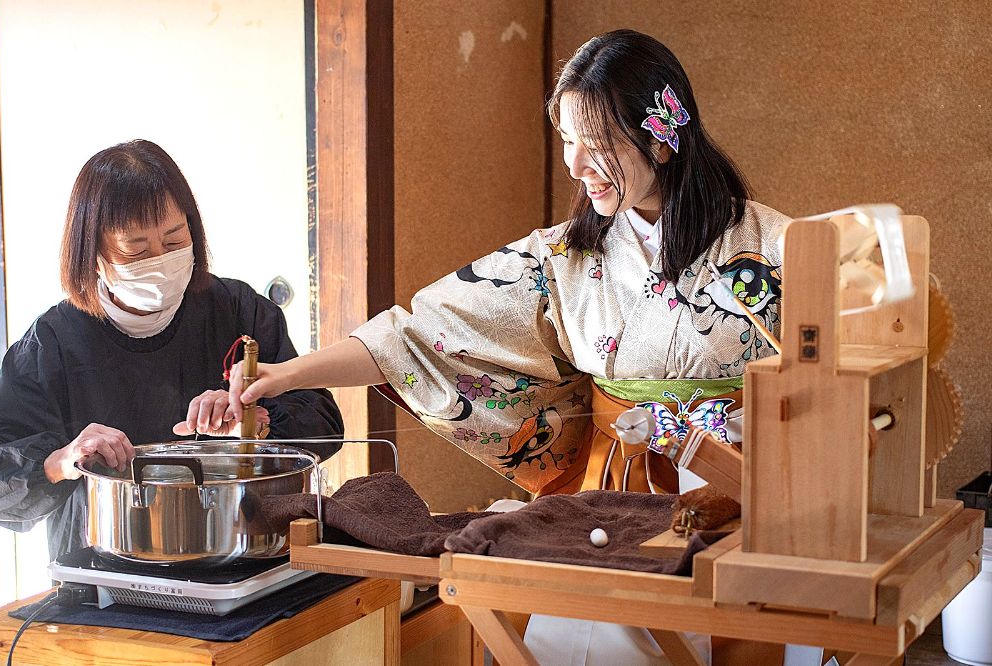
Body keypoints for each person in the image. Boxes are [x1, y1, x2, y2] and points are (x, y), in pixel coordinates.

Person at [229, 29, 791, 665]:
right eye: (568, 141)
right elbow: (420, 333)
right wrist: (288, 375)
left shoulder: (775, 248)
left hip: (740, 491)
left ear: (660, 136)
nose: (576, 165)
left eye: (597, 143)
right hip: (612, 494)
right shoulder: (564, 257)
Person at [0, 140, 344, 562]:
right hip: (102, 564)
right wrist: (62, 460)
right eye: (136, 251)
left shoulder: (237, 310)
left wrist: (255, 422)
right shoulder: (51, 344)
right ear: (93, 254)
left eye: (175, 240)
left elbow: (323, 421)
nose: (159, 262)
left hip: (241, 551)